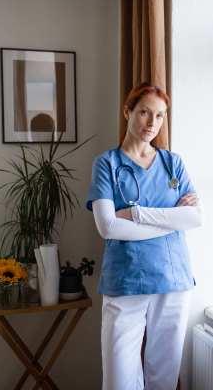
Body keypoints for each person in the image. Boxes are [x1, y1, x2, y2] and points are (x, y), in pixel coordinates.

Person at [86, 82, 204, 390]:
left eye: (160, 116)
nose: (152, 123)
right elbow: (108, 227)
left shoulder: (172, 162)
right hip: (126, 280)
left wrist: (137, 214)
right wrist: (172, 219)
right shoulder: (107, 164)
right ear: (128, 112)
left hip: (173, 278)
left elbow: (195, 218)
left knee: (163, 379)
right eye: (144, 112)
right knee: (119, 380)